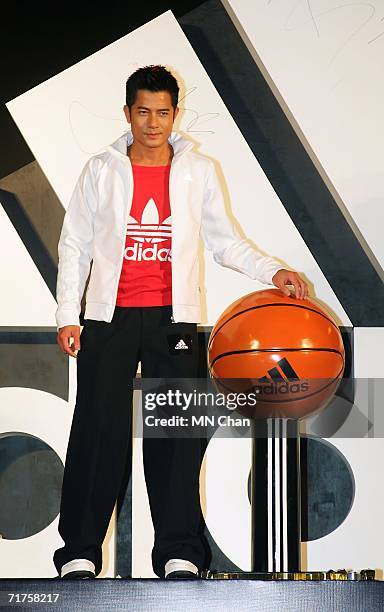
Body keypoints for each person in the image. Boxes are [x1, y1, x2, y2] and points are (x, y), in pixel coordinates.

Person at [53, 65, 308, 580]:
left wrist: (272, 269)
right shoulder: (101, 169)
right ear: (127, 113)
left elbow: (224, 242)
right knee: (97, 432)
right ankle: (78, 550)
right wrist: (67, 314)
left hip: (174, 321)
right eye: (143, 111)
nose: (153, 123)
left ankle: (179, 553)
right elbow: (74, 245)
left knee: (176, 437)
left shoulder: (198, 170)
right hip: (109, 319)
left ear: (175, 113)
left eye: (163, 112)